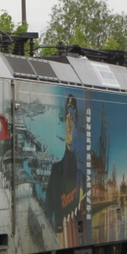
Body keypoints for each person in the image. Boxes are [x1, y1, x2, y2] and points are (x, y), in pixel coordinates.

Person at [45, 94, 85, 244]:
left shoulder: (83, 174)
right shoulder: (56, 170)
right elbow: (48, 210)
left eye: (72, 120)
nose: (69, 125)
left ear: (77, 123)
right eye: (67, 119)